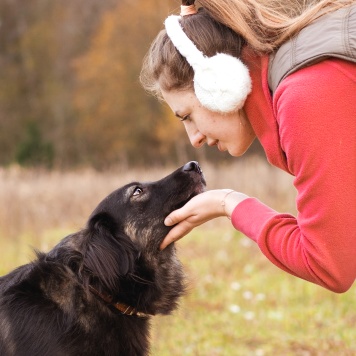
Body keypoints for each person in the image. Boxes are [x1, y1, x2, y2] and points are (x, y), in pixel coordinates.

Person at [140, 0, 356, 293]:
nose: (195, 139)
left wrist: (229, 203)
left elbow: (329, 266)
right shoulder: (309, 70)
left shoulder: (306, 97)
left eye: (188, 116)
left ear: (220, 83)